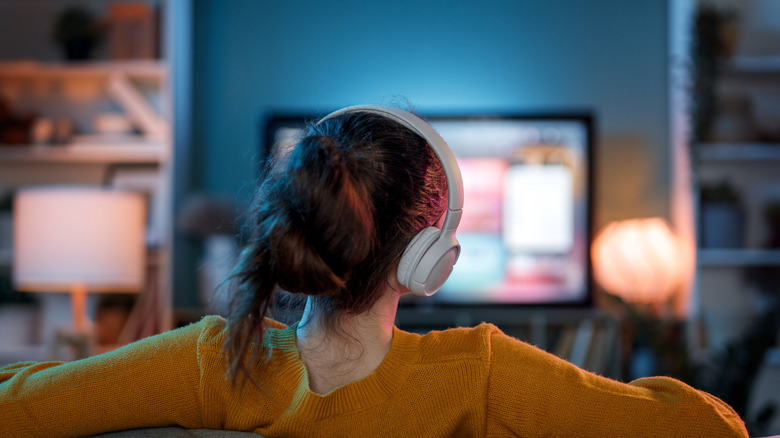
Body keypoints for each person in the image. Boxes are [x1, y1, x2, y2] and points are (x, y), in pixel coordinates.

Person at [1, 106, 748, 437]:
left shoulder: (208, 363)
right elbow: (709, 432)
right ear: (430, 261)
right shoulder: (481, 377)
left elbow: (18, 406)